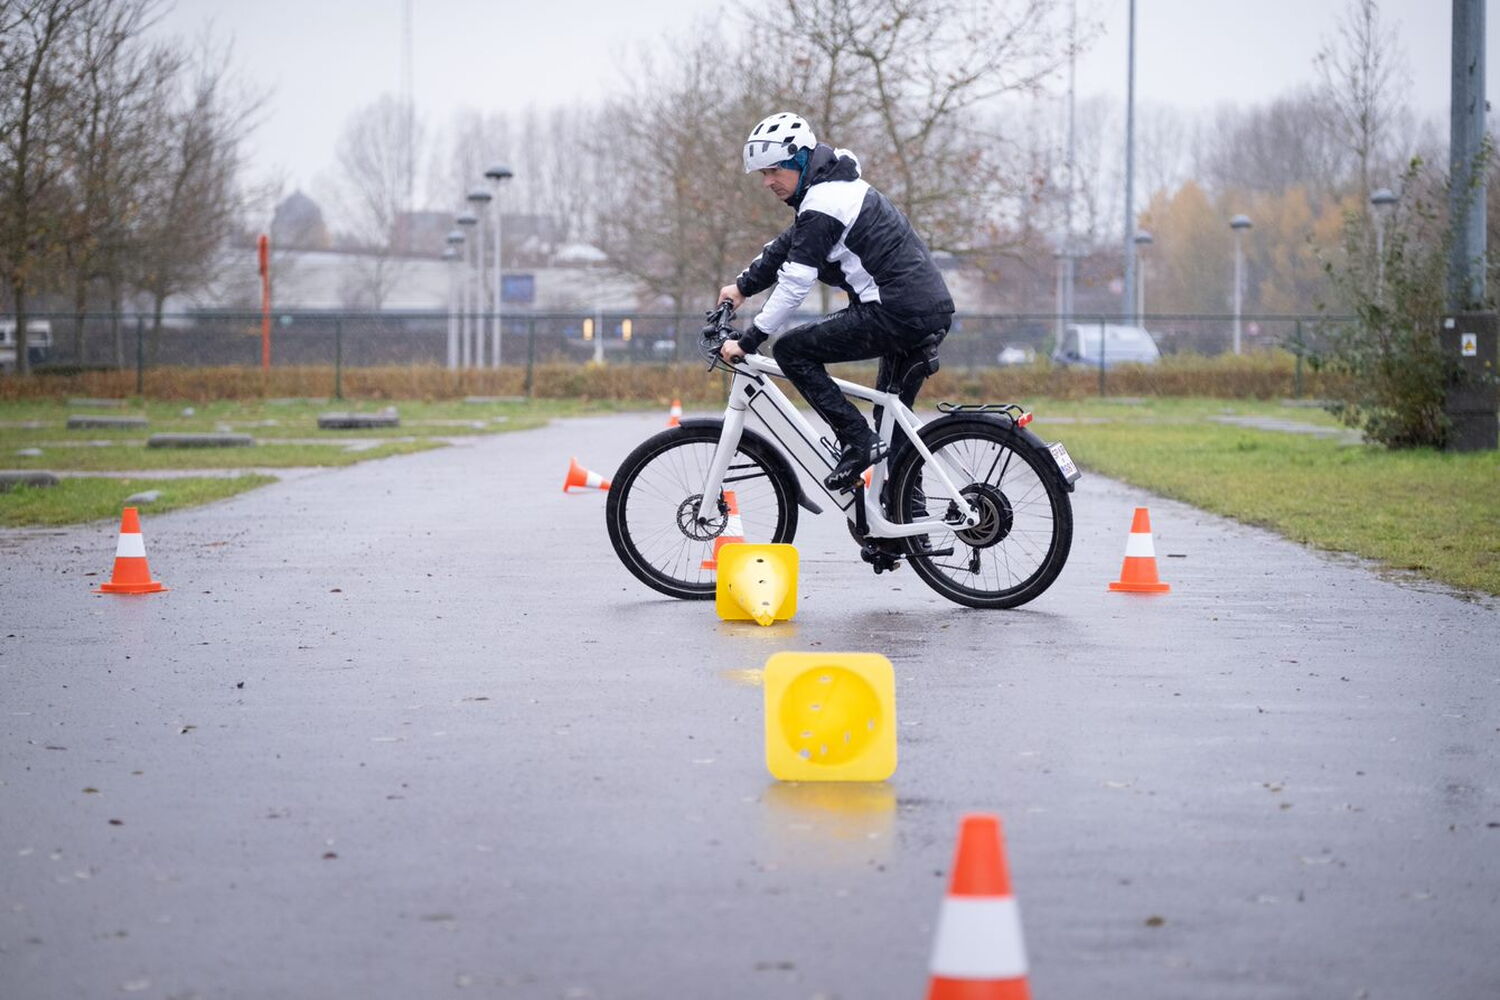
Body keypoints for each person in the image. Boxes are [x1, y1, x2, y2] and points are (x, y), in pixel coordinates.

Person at [719, 111, 954, 493]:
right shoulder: (830, 189)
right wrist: (743, 287)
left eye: (773, 171)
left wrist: (749, 340)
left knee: (792, 349)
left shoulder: (825, 200)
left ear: (797, 159)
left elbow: (796, 282)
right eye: (763, 174)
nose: (767, 182)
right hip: (917, 310)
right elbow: (786, 246)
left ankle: (856, 440)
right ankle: (902, 532)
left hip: (895, 312)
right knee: (892, 424)